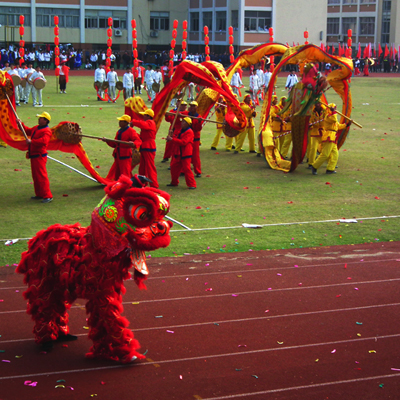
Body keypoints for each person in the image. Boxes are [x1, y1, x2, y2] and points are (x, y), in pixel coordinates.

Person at [19, 111, 53, 203]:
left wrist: (32, 142)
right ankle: (39, 194)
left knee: (41, 176)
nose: (39, 119)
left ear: (45, 121)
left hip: (39, 156)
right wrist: (20, 124)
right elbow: (27, 130)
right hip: (34, 155)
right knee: (36, 176)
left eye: (41, 118)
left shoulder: (47, 131)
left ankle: (47, 195)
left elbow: (44, 141)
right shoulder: (36, 128)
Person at [311, 103, 350, 175]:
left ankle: (330, 169)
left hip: (333, 137)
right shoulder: (328, 116)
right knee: (325, 154)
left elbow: (337, 126)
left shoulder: (333, 116)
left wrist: (346, 125)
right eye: (334, 108)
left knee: (335, 154)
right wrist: (333, 112)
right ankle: (314, 166)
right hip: (328, 137)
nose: (335, 109)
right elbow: (334, 119)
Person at [103, 115, 142, 181]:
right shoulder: (119, 131)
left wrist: (133, 144)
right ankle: (118, 186)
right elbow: (115, 144)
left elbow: (138, 141)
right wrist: (107, 141)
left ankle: (126, 186)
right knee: (117, 173)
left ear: (126, 123)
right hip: (118, 154)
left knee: (125, 172)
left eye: (121, 121)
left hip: (125, 155)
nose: (119, 122)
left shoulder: (131, 131)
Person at [130, 109, 158, 188]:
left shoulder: (150, 123)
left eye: (144, 115)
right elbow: (142, 136)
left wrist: (134, 122)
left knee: (150, 166)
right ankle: (142, 183)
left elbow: (143, 125)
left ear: (148, 116)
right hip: (145, 146)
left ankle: (154, 185)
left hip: (148, 146)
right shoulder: (148, 123)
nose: (143, 116)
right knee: (143, 166)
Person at [166, 117, 196, 189]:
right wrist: (172, 135)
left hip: (185, 153)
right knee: (173, 167)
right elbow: (176, 138)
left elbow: (183, 142)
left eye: (184, 122)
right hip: (178, 153)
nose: (182, 123)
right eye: (182, 122)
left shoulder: (189, 132)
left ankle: (192, 184)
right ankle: (174, 182)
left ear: (187, 124)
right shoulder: (181, 130)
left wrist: (172, 139)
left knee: (187, 169)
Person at [307, 102, 328, 168]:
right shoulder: (312, 112)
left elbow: (329, 117)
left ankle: (329, 162)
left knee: (327, 148)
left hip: (323, 132)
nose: (317, 105)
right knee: (313, 148)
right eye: (316, 103)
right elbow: (310, 120)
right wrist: (310, 124)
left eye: (318, 103)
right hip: (315, 132)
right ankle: (311, 163)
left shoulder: (325, 111)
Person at [188, 101, 203, 177]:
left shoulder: (198, 117)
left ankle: (198, 171)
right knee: (185, 154)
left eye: (194, 106)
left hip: (195, 138)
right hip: (186, 137)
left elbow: (198, 129)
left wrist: (199, 123)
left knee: (195, 155)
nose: (192, 107)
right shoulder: (186, 114)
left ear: (196, 107)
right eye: (191, 106)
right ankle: (184, 170)